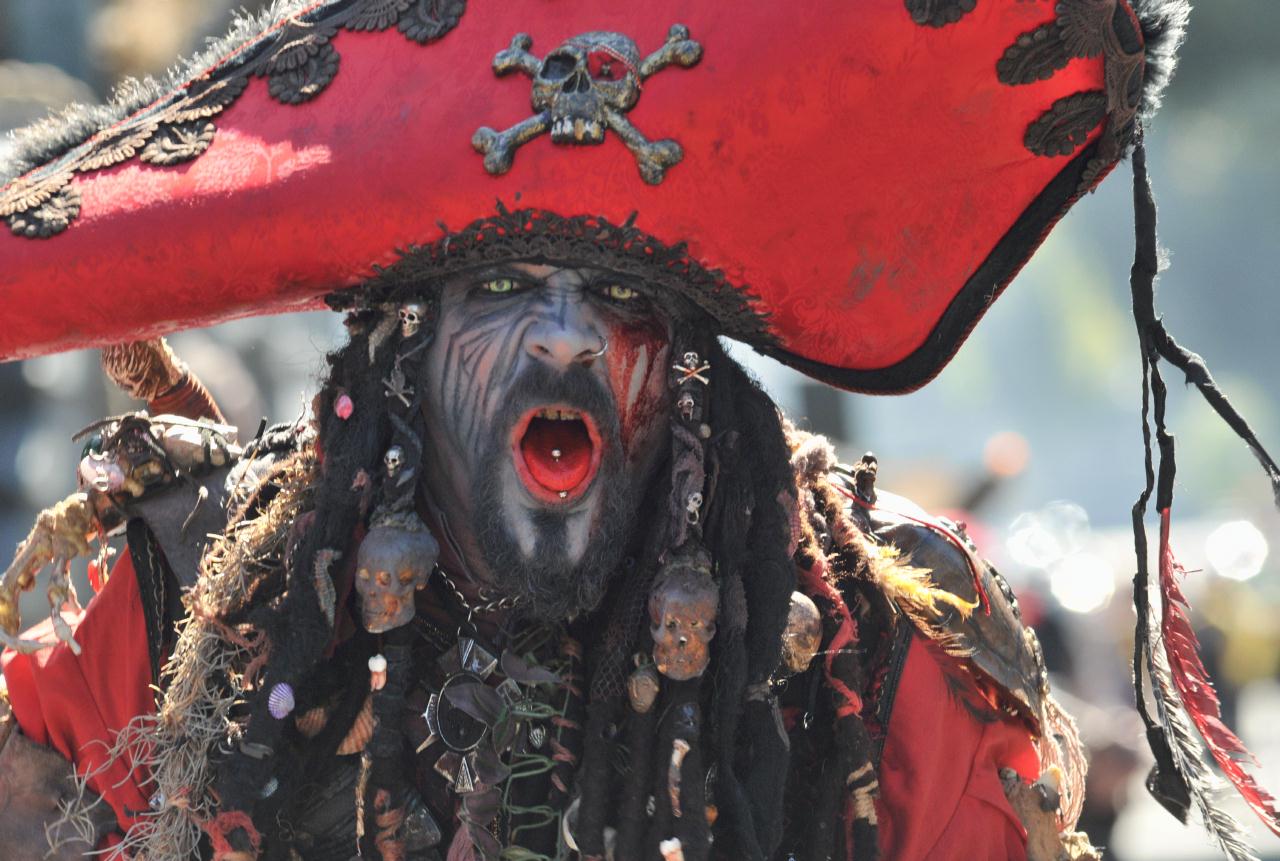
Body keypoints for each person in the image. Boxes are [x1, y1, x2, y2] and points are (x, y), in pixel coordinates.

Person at [4, 1, 1273, 860]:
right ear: (401, 348)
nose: (565, 340)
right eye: (501, 290)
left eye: (622, 300)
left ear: (688, 368)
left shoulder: (890, 645)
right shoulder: (178, 605)